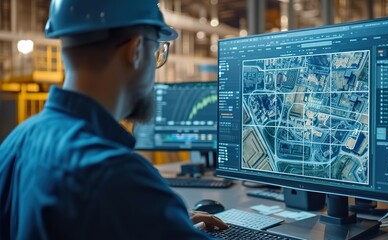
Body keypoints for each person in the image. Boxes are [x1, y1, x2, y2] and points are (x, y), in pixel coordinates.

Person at [0, 0, 227, 239]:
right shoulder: (115, 174)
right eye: (157, 52)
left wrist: (160, 220)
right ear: (136, 50)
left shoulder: (14, 143)